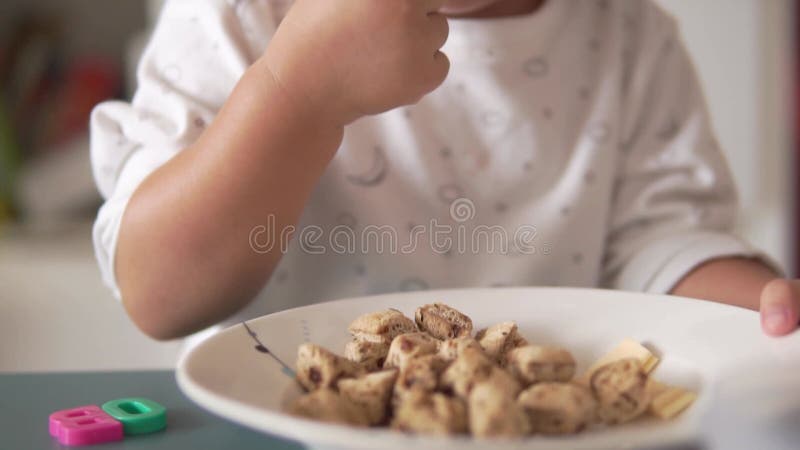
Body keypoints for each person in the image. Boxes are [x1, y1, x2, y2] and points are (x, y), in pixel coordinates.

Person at [90, 0, 798, 342]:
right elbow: (158, 291)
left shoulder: (628, 36)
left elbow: (660, 249)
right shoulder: (243, 12)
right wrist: (293, 93)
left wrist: (767, 315)